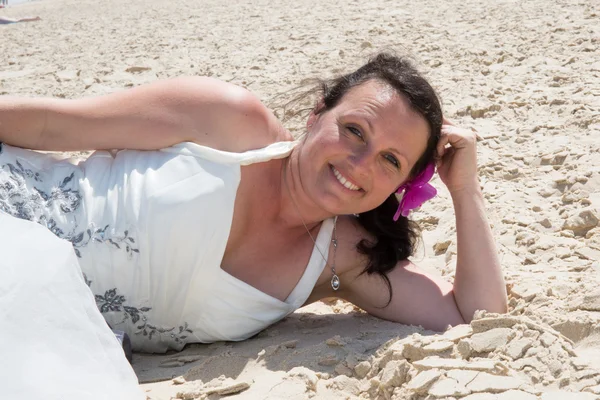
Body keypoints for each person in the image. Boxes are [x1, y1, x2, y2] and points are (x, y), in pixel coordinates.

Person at [0, 53, 507, 355]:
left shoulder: (341, 259)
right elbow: (51, 125)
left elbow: (478, 316)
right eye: (354, 130)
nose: (360, 163)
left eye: (391, 161)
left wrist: (465, 190)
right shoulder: (228, 121)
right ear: (316, 115)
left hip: (44, 334)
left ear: (400, 186)